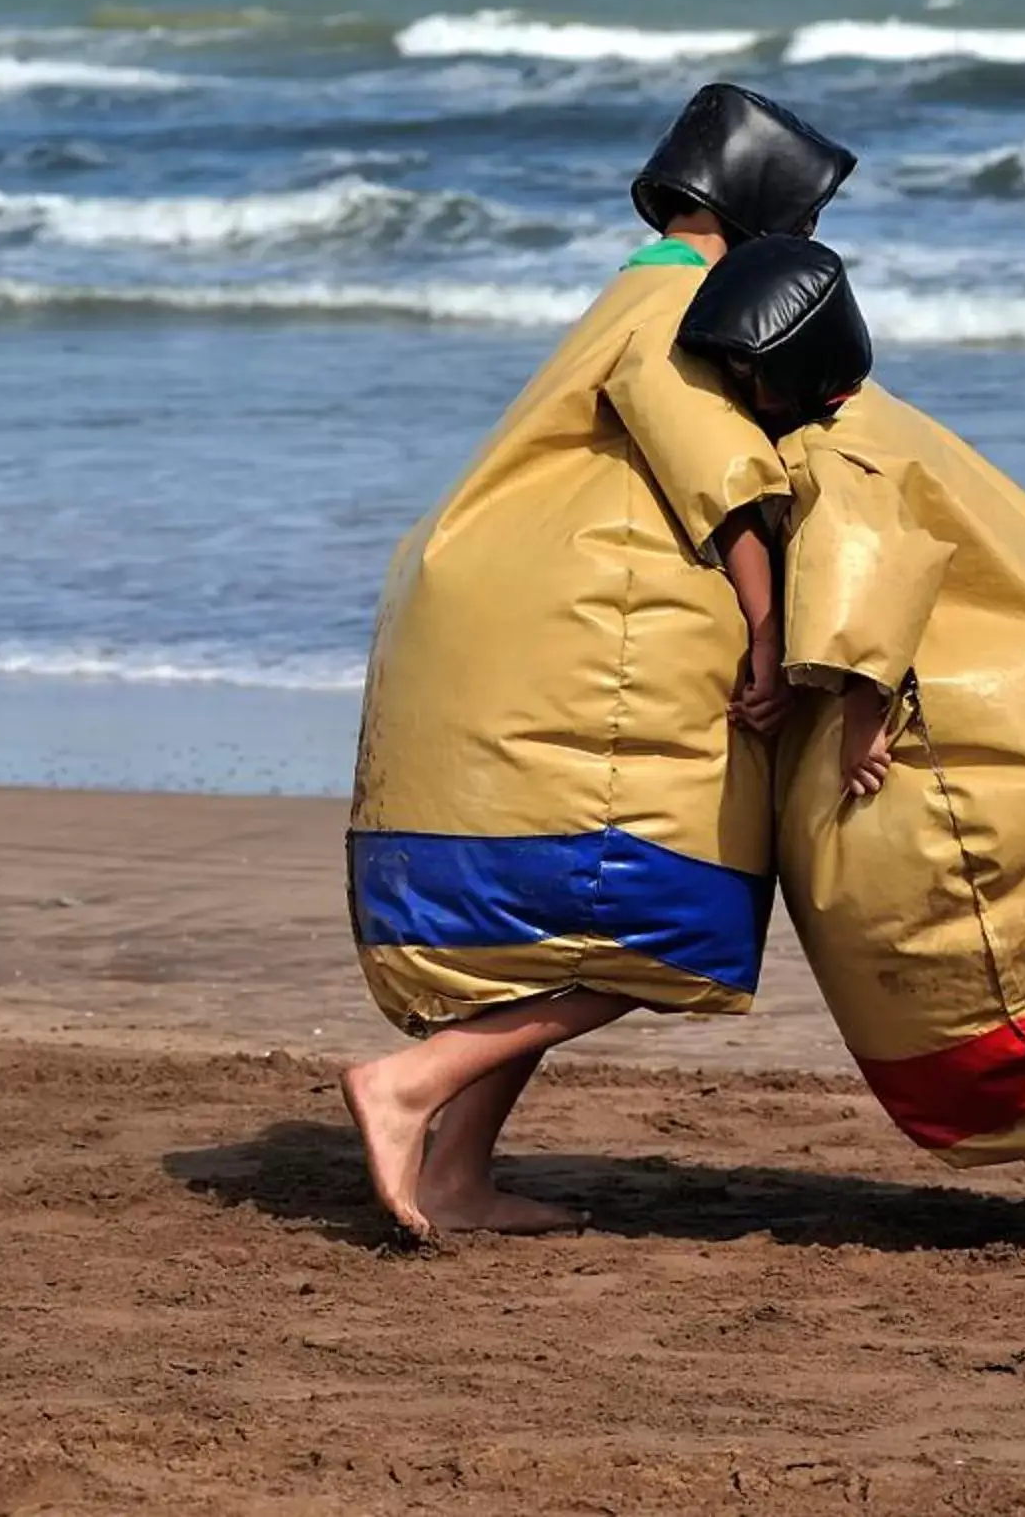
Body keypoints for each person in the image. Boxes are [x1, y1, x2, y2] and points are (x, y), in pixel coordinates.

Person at [340, 83, 856, 1242]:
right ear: (760, 200)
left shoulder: (635, 287)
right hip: (587, 632)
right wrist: (771, 635)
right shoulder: (679, 305)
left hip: (518, 612)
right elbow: (719, 475)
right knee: (662, 924)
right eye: (806, 215)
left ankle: (459, 1175)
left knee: (545, 929)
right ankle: (409, 1087)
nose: (814, 242)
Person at [678, 238, 1025, 1258]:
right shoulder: (889, 421)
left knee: (999, 963)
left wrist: (856, 730)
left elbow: (865, 595)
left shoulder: (834, 455)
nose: (738, 397)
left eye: (746, 377)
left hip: (971, 736)